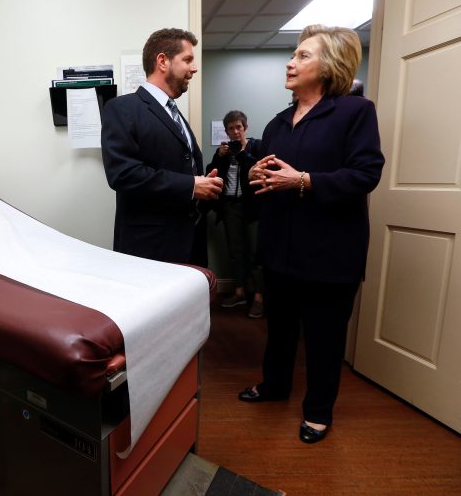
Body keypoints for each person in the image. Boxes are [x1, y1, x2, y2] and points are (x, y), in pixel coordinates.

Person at [238, 24, 385, 444]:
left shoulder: (355, 112)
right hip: (280, 248)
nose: (290, 62)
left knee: (324, 337)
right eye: (293, 54)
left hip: (330, 252)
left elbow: (366, 174)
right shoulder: (278, 123)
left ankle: (318, 411)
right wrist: (255, 175)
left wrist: (303, 181)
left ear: (329, 65)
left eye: (303, 55)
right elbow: (268, 181)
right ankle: (274, 386)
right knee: (280, 329)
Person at [101, 28, 224, 266]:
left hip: (189, 243)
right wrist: (191, 186)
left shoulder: (175, 114)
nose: (194, 68)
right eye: (187, 59)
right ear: (162, 61)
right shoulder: (121, 108)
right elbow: (123, 174)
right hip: (150, 249)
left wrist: (205, 186)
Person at [206, 111, 265, 318]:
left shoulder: (256, 147)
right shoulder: (225, 152)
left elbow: (259, 170)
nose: (235, 131)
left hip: (252, 207)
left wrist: (241, 154)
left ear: (245, 128)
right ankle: (239, 291)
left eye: (238, 127)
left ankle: (259, 296)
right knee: (235, 251)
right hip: (230, 206)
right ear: (227, 131)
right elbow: (211, 173)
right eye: (231, 128)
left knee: (255, 253)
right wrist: (219, 157)